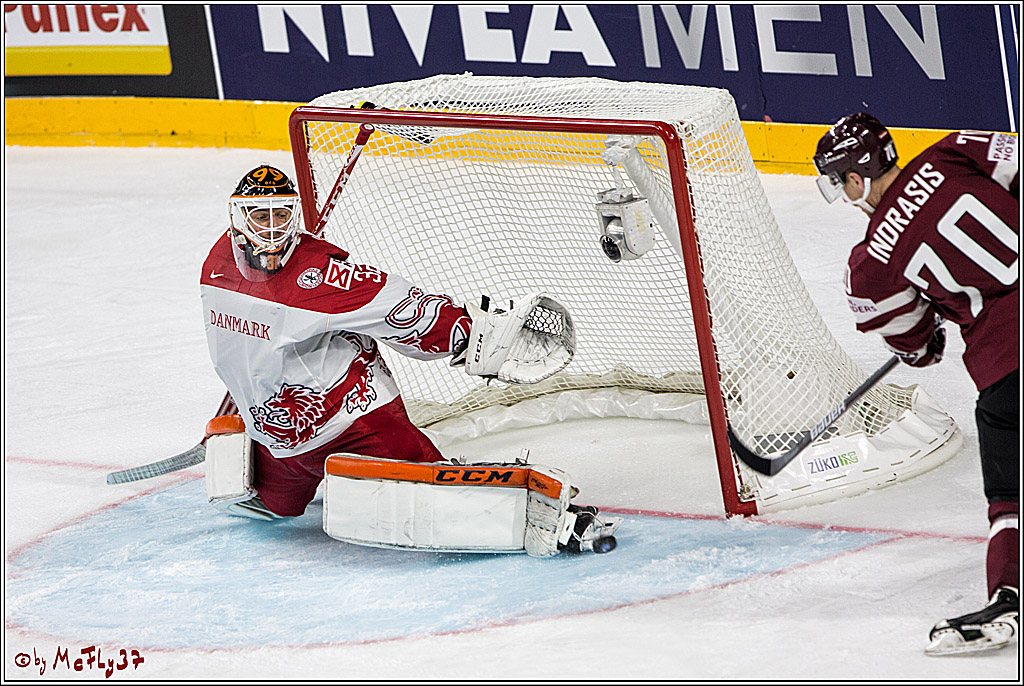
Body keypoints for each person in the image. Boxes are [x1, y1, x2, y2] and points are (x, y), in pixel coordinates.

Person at [813, 113, 1019, 655]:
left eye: (840, 183)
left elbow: (917, 347)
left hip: (1009, 363)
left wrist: (934, 322)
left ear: (855, 179)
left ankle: (1011, 598)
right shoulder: (953, 151)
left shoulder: (871, 262)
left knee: (1011, 501)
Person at [199, 164, 473, 519]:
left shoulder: (319, 275)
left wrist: (474, 334)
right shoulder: (217, 265)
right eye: (258, 216)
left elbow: (403, 307)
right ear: (238, 217)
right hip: (278, 445)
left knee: (441, 503)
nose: (270, 230)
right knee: (273, 509)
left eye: (280, 215)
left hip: (353, 427)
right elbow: (239, 351)